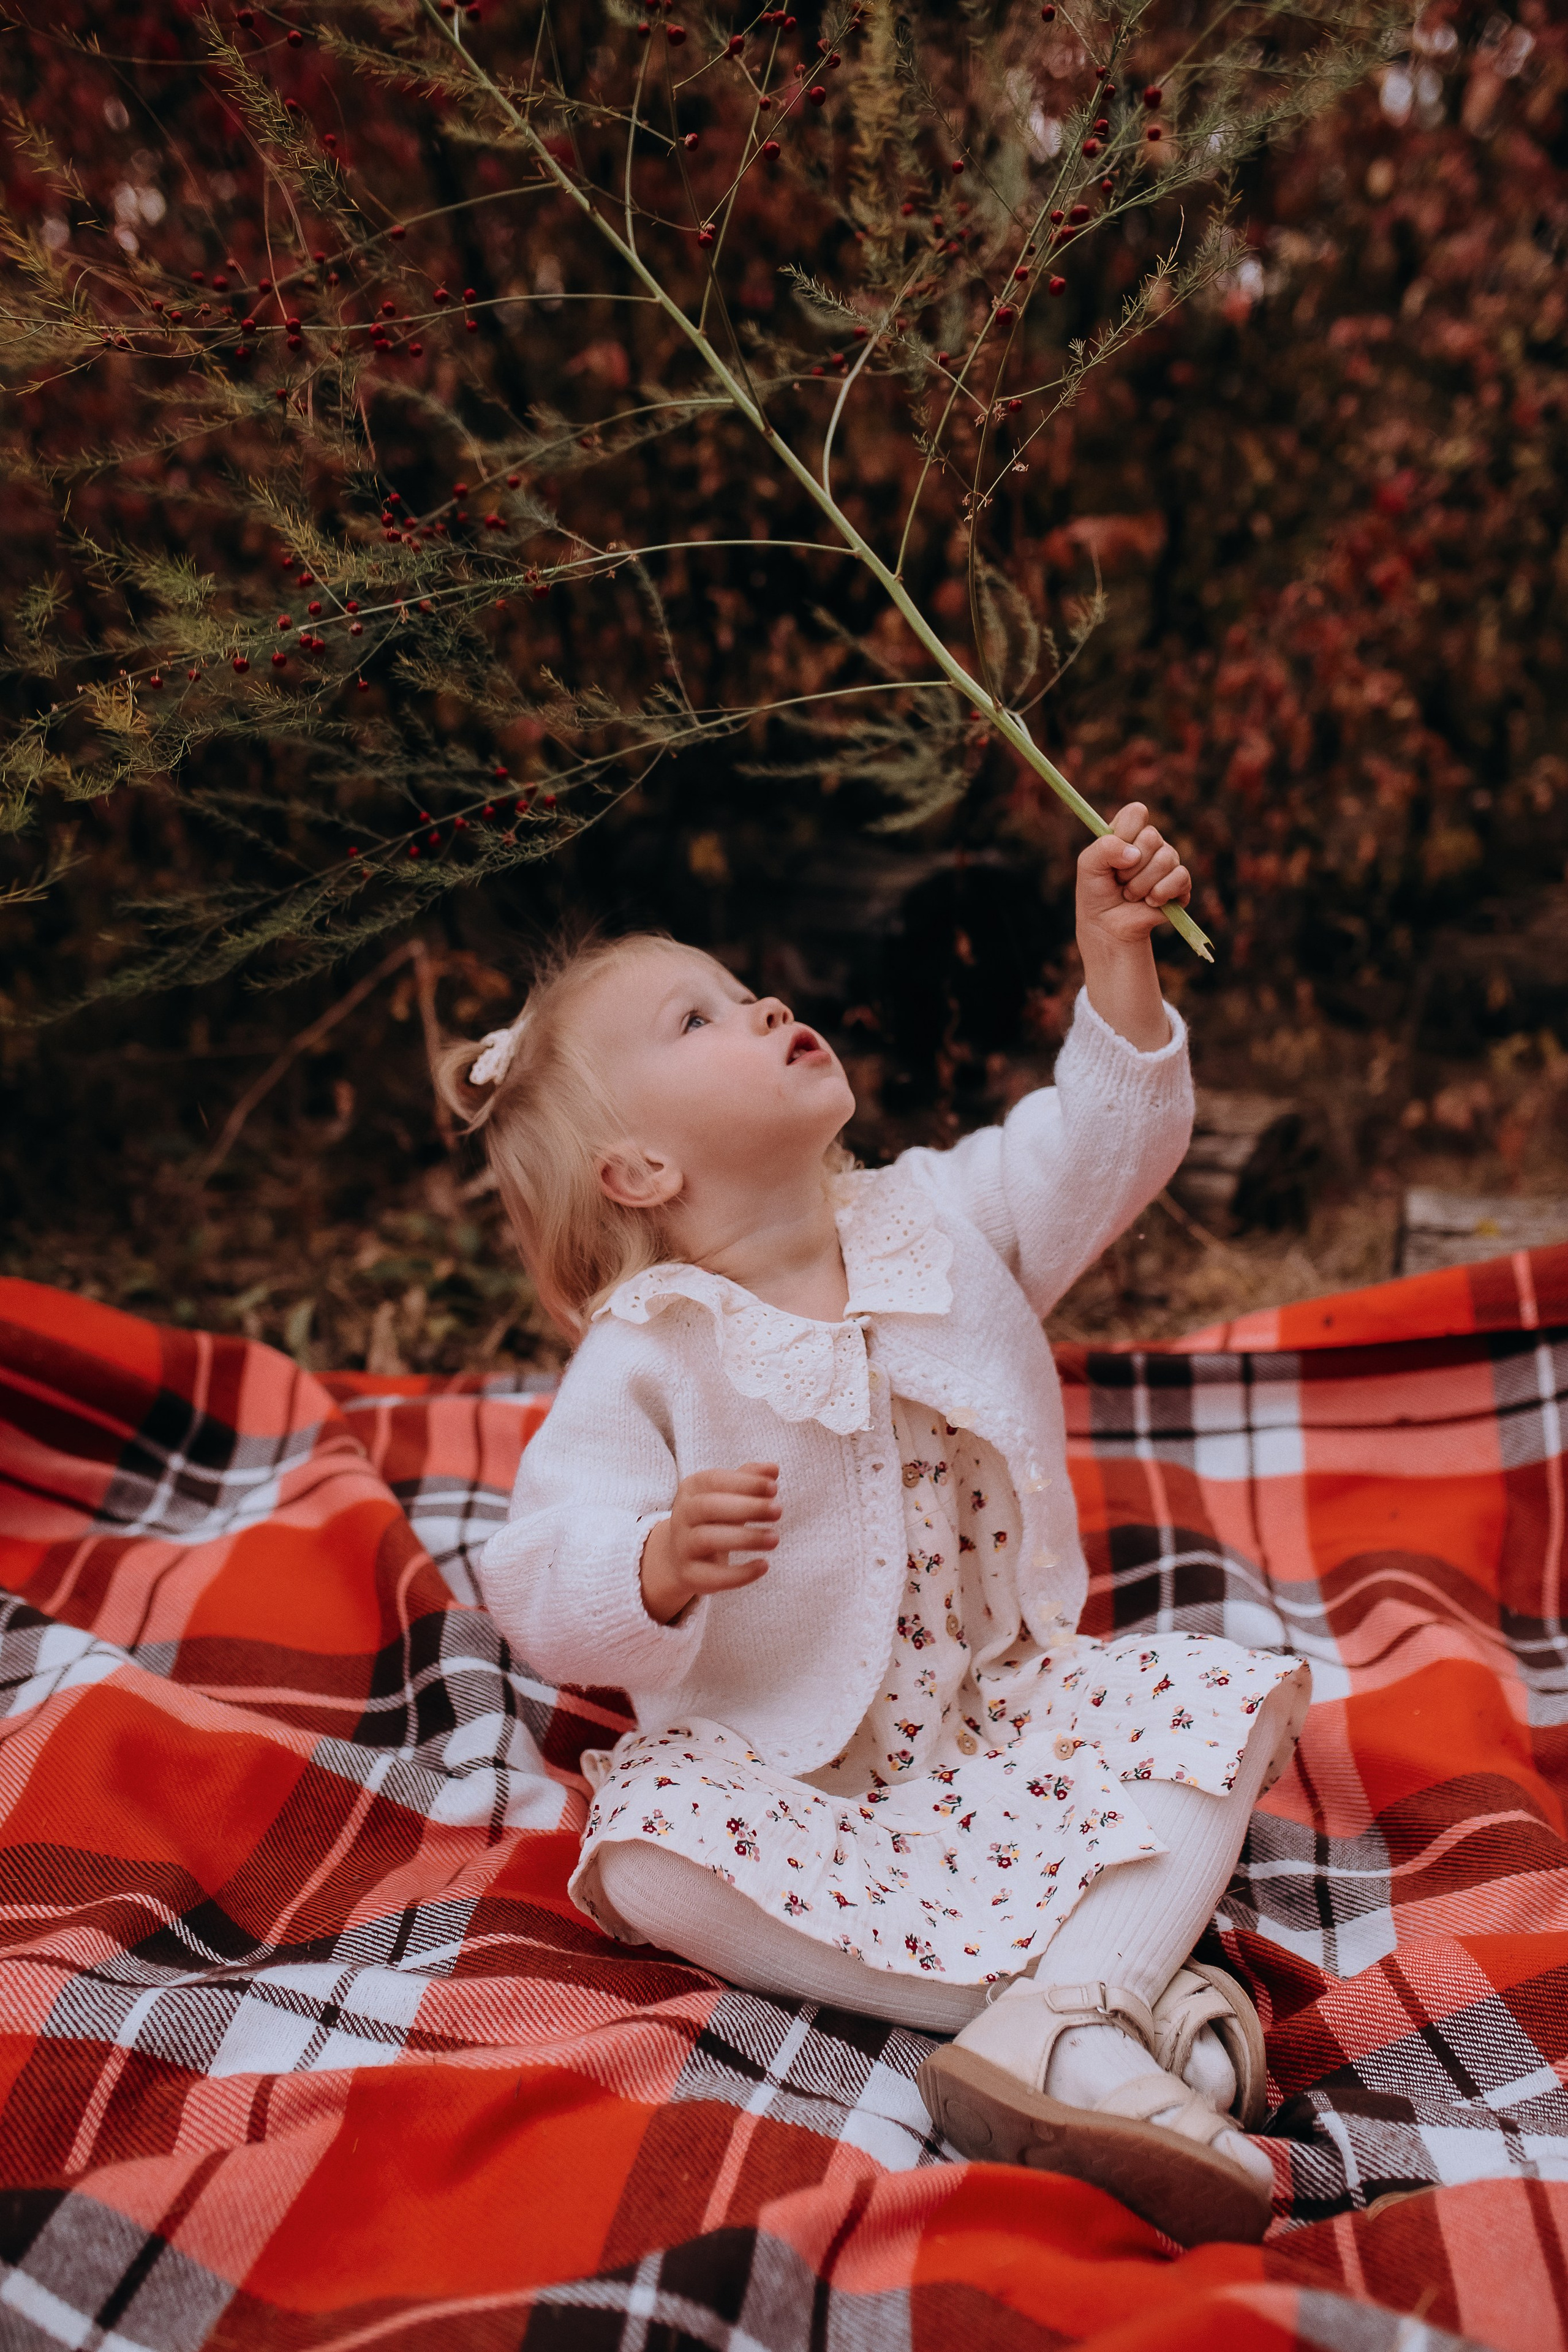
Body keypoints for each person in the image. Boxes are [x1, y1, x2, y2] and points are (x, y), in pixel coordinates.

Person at [440, 804, 1309, 2247]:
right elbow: (535, 1572)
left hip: (1009, 1719)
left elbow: (1103, 1145)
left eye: (746, 987)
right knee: (646, 1842)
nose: (765, 1003)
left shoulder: (942, 1218)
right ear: (640, 1174)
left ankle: (1073, 2021)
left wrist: (1114, 965)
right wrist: (646, 1570)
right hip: (803, 1777)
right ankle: (1102, 2004)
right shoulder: (652, 1352)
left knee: (1222, 1692)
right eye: (699, 1018)